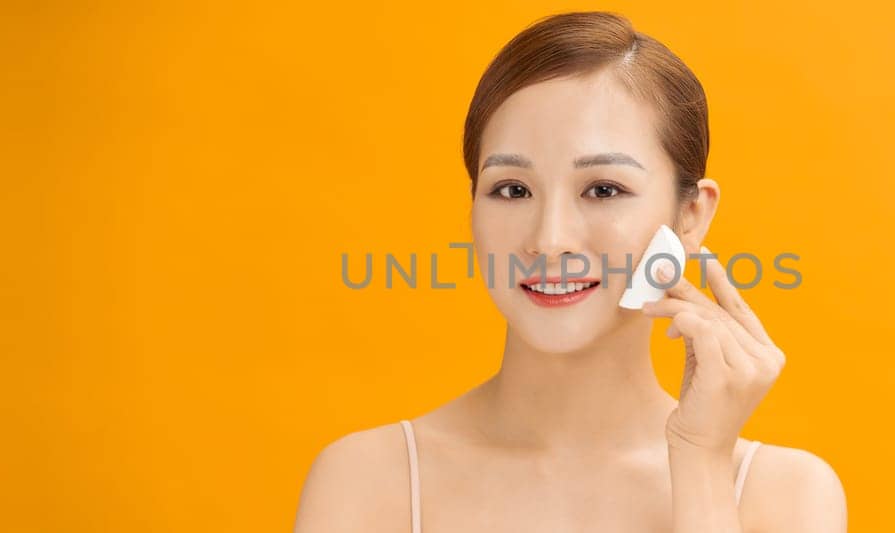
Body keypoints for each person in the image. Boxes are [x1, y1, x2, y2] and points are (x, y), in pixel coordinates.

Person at [295, 11, 847, 532]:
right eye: (512, 190)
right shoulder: (366, 482)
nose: (549, 240)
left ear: (690, 215)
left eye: (603, 189)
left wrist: (701, 463)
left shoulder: (786, 496)